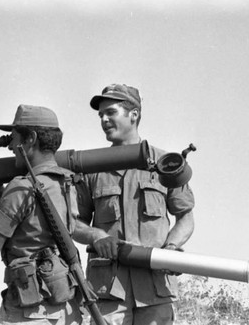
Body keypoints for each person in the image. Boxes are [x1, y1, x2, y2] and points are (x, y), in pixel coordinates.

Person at [0, 104, 113, 325]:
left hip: (29, 314)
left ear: (30, 139)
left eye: (13, 138)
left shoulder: (21, 187)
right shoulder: (67, 183)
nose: (10, 146)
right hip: (66, 310)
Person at [76, 84, 196, 325]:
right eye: (101, 115)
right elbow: (73, 222)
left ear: (134, 114)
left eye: (111, 112)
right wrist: (97, 236)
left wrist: (171, 247)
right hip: (108, 291)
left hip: (154, 290)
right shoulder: (89, 168)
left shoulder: (165, 164)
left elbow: (186, 216)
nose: (104, 120)